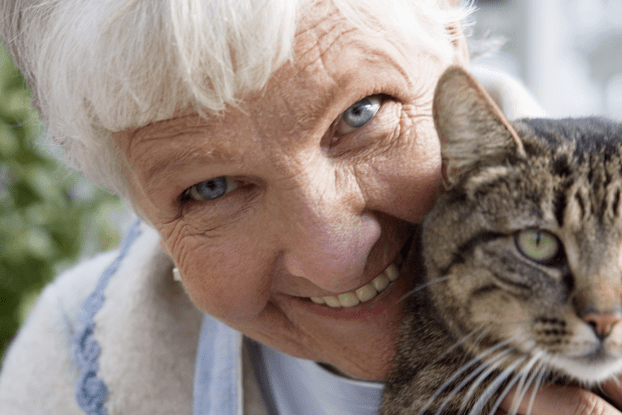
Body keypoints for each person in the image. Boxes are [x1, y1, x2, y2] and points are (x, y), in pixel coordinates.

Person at [0, 0, 620, 414]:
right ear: (139, 210)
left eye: (361, 112)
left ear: (454, 51)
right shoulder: (64, 371)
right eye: (210, 187)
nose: (334, 261)